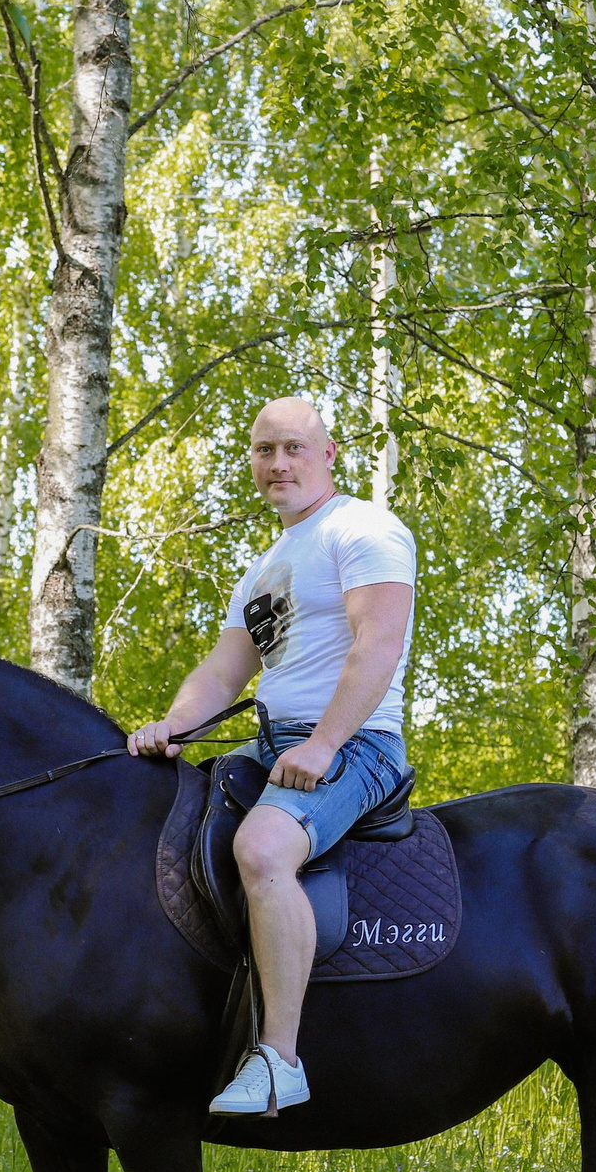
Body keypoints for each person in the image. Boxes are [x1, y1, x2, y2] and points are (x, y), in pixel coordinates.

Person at [127, 395, 417, 1115]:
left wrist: (324, 743)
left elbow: (377, 644)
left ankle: (280, 1059)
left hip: (357, 742)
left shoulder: (363, 528)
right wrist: (173, 727)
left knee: (261, 847)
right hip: (271, 744)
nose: (277, 463)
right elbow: (226, 671)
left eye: (293, 447)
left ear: (330, 453)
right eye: (264, 450)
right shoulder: (266, 566)